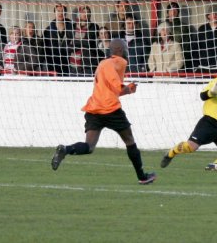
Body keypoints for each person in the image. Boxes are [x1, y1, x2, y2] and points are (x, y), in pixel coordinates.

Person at [51, 38, 156, 185]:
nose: (126, 51)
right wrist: (127, 88)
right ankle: (142, 177)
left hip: (94, 109)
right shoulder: (114, 63)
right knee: (130, 141)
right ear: (119, 50)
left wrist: (127, 90)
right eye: (125, 48)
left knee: (89, 147)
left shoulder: (102, 63)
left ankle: (66, 149)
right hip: (111, 109)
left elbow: (112, 90)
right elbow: (117, 87)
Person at [43, 3, 74, 75]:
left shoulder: (72, 28)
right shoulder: (48, 30)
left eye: (62, 11)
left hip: (68, 65)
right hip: (53, 65)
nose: (60, 13)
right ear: (55, 12)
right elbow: (45, 49)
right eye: (58, 11)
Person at [165, 2, 196, 72]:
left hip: (177, 62)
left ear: (178, 12)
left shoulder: (184, 27)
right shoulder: (161, 26)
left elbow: (187, 47)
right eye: (171, 10)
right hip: (163, 61)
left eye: (175, 10)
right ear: (167, 12)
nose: (173, 12)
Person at [71, 5, 100, 76]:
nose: (86, 14)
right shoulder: (73, 26)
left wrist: (75, 43)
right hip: (73, 64)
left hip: (88, 63)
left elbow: (88, 42)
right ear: (79, 13)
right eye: (83, 12)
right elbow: (69, 44)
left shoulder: (94, 26)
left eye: (88, 12)